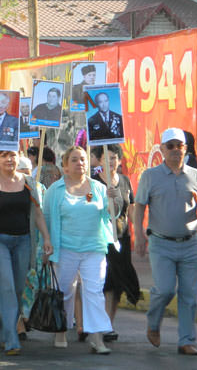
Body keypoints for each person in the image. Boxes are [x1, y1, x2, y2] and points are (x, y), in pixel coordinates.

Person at [133, 127, 197, 356]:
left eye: (180, 146)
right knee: (165, 290)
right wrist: (139, 235)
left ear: (185, 149)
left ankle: (186, 340)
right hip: (161, 243)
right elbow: (139, 206)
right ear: (162, 149)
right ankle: (153, 323)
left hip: (190, 243)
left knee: (189, 295)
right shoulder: (150, 176)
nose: (176, 150)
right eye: (171, 146)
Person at [43, 146, 121, 355]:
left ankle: (96, 337)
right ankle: (61, 329)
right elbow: (46, 217)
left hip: (94, 248)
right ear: (65, 166)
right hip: (65, 249)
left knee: (94, 292)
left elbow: (112, 213)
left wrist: (114, 198)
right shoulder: (55, 190)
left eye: (84, 159)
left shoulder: (98, 188)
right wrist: (47, 242)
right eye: (75, 160)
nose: (80, 163)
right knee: (66, 291)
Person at [0, 150, 52, 355]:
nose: (10, 159)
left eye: (13, 155)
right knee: (6, 287)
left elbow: (38, 213)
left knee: (17, 290)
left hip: (24, 241)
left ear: (19, 158)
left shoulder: (28, 182)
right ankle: (11, 339)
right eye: (5, 155)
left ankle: (3, 328)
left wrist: (47, 238)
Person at [91, 144, 140, 341]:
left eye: (114, 158)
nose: (110, 161)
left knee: (118, 283)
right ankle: (102, 325)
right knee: (107, 283)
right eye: (106, 157)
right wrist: (104, 200)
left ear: (119, 160)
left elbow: (132, 209)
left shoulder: (126, 181)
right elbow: (87, 205)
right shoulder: (93, 183)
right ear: (99, 161)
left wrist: (139, 232)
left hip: (122, 238)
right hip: (100, 239)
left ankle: (109, 324)